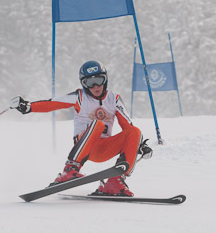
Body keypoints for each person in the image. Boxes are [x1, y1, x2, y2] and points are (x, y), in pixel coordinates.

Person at [11, 60, 153, 197]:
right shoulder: (79, 96)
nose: (96, 86)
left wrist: (140, 145)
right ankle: (70, 169)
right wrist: (29, 107)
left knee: (135, 132)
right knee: (98, 124)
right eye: (90, 83)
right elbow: (52, 103)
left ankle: (115, 181)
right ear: (83, 84)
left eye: (99, 80)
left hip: (104, 148)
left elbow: (127, 126)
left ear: (106, 80)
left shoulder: (113, 99)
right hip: (84, 147)